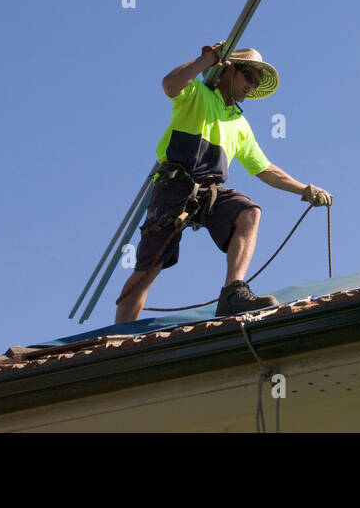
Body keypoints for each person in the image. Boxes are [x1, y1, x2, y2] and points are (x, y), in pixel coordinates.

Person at [114, 42, 331, 323]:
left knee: (248, 213)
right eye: (249, 78)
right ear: (230, 70)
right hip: (174, 185)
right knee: (149, 268)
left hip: (209, 191)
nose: (251, 87)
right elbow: (170, 84)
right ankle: (119, 335)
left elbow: (264, 169)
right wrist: (205, 60)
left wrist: (305, 189)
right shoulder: (196, 94)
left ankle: (232, 293)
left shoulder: (239, 124)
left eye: (255, 83)